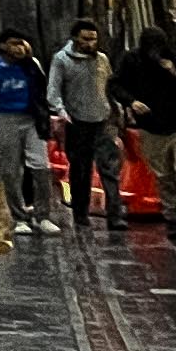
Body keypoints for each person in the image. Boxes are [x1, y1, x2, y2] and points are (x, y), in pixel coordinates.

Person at [114, 22, 176, 242]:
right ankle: (173, 217)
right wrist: (131, 101)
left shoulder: (174, 58)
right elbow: (116, 85)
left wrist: (175, 72)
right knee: (163, 175)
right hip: (151, 126)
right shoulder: (131, 60)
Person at [0, 27, 62, 231]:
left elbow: (42, 88)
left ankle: (43, 215)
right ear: (3, 46)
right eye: (14, 43)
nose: (19, 47)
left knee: (41, 166)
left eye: (21, 42)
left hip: (31, 118)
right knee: (11, 170)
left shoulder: (31, 65)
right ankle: (19, 217)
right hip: (4, 118)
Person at [49, 19, 123, 229]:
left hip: (103, 120)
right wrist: (63, 113)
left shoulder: (102, 59)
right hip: (77, 121)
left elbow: (109, 86)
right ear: (75, 38)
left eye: (93, 39)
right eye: (86, 39)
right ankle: (80, 212)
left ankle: (115, 214)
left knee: (109, 168)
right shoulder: (62, 60)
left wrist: (116, 110)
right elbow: (53, 92)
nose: (90, 43)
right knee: (80, 170)